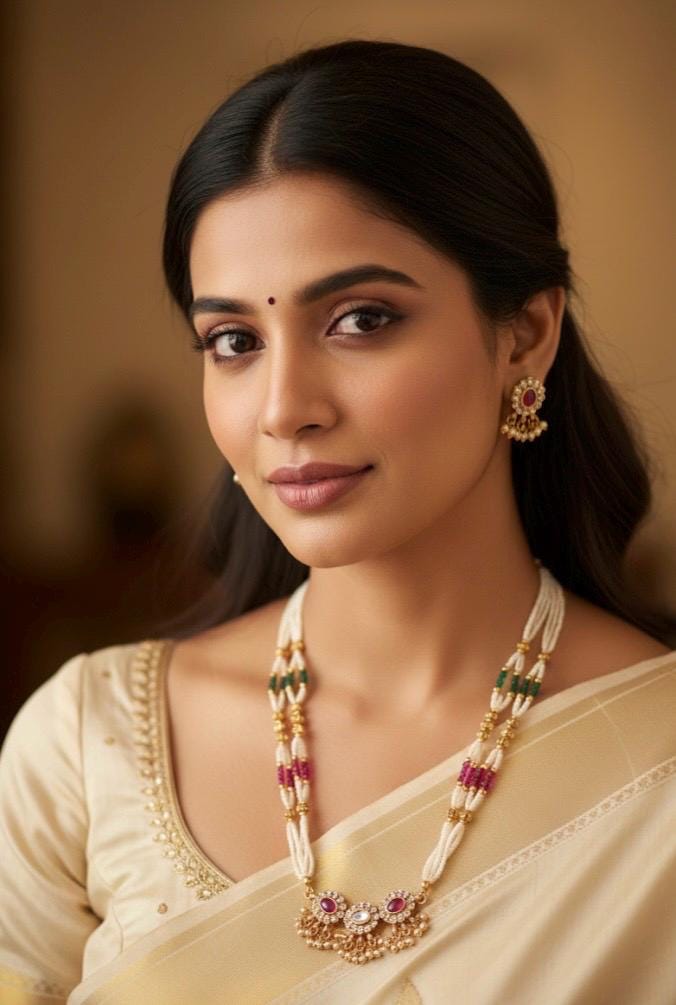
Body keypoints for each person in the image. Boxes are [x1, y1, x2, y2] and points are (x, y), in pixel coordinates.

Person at [1, 38, 674, 1005]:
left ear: (525, 335)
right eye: (233, 340)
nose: (283, 407)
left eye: (360, 319)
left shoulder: (658, 769)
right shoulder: (85, 749)